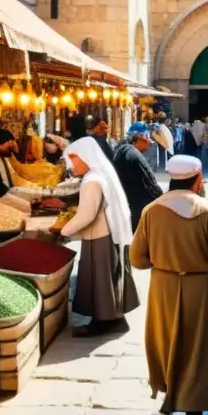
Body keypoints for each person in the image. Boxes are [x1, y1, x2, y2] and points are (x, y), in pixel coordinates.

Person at [130, 154, 208, 415]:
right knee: (200, 348)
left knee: (168, 342)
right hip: (201, 288)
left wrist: (164, 258)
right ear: (197, 179)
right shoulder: (204, 211)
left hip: (163, 287)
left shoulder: (151, 211)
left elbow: (137, 259)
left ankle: (172, 396)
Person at [56, 137, 139, 336]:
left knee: (100, 279)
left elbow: (87, 215)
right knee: (108, 277)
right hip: (106, 233)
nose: (70, 166)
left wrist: (63, 230)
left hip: (100, 235)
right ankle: (112, 319)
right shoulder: (98, 175)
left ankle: (103, 322)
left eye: (73, 160)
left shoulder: (92, 180)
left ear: (85, 157)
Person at [113, 123, 164, 231]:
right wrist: (162, 201)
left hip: (128, 207)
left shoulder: (121, 150)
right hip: (138, 210)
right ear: (139, 138)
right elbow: (151, 183)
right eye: (147, 138)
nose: (149, 143)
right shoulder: (133, 154)